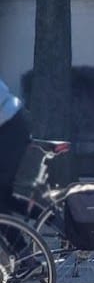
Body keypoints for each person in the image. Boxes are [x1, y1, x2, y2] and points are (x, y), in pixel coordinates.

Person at [0, 78, 30, 214]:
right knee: (6, 194)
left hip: (11, 126)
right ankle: (53, 219)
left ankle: (14, 235)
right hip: (10, 123)